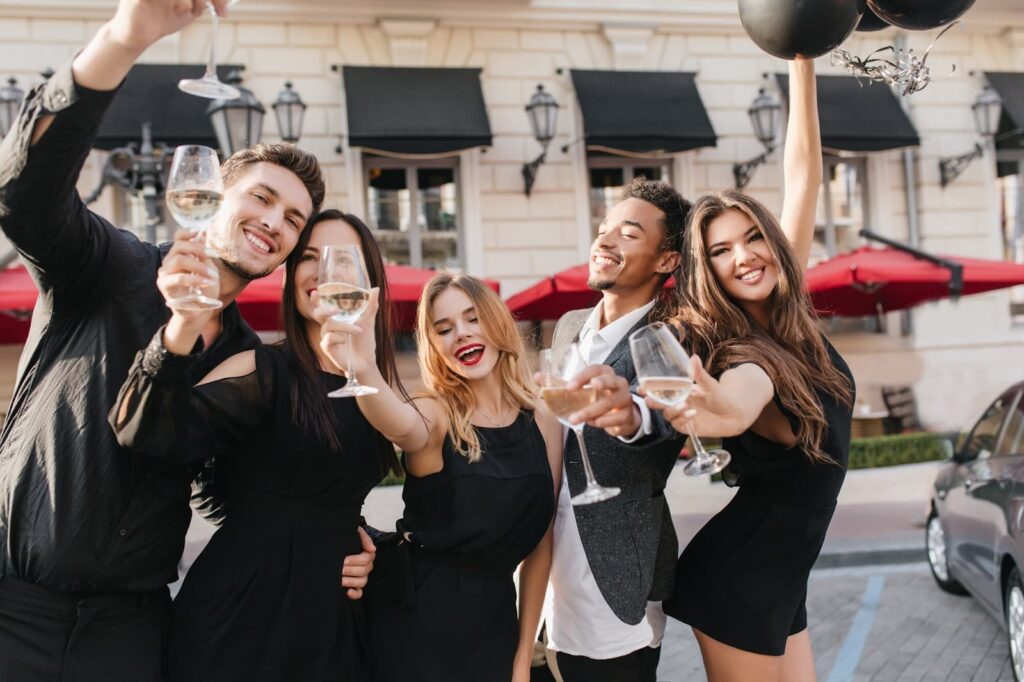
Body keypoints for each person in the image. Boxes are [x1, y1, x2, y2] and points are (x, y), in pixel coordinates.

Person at [0, 3, 371, 679]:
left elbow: (222, 491)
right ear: (216, 195)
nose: (273, 222)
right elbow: (23, 194)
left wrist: (343, 534)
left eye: (292, 219)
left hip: (133, 626)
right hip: (15, 606)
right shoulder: (108, 266)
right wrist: (125, 37)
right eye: (260, 198)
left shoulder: (244, 358)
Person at [110, 211, 402, 681]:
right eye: (308, 257)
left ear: (370, 283)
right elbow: (163, 434)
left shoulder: (375, 385)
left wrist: (363, 540)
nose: (323, 272)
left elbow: (332, 483)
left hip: (330, 614)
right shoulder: (261, 369)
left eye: (340, 260)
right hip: (244, 608)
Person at [652, 58, 855, 682]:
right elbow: (741, 401)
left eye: (752, 238)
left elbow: (804, 172)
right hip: (741, 575)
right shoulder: (740, 352)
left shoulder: (788, 316)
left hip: (781, 574)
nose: (743, 257)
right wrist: (716, 407)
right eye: (719, 251)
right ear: (706, 270)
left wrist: (801, 54)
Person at [315, 271, 561, 682]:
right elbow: (399, 425)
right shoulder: (434, 412)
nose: (461, 335)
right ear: (434, 346)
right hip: (414, 618)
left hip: (494, 621)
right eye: (443, 329)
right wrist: (364, 368)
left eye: (472, 318)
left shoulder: (544, 419)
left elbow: (541, 544)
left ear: (497, 322)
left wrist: (522, 656)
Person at [541, 177, 690, 682]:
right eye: (603, 229)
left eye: (627, 233)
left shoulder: (678, 336)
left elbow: (664, 417)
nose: (603, 241)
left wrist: (630, 417)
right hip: (542, 568)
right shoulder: (567, 326)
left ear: (666, 260)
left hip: (615, 574)